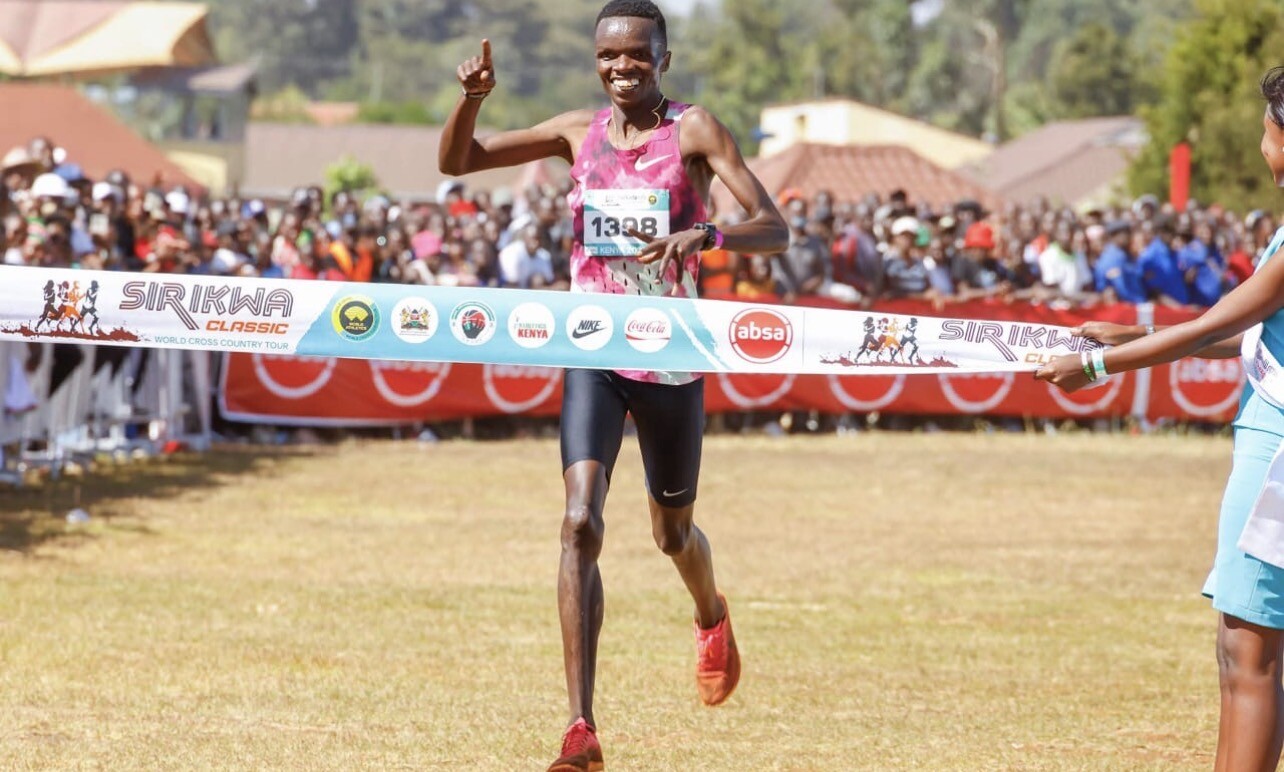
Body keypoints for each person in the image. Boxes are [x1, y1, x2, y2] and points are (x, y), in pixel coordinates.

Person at [437, 3, 789, 769]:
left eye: (635, 54)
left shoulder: (694, 131)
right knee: (578, 523)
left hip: (670, 357)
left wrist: (709, 234)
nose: (620, 67)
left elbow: (775, 227)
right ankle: (580, 729)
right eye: (607, 56)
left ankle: (710, 613)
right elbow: (459, 163)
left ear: (663, 59)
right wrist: (472, 100)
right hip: (592, 346)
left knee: (672, 535)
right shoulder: (578, 132)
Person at [1037, 66, 1284, 772]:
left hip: (1276, 455)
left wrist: (1094, 367)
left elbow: (1217, 322)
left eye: (1267, 133)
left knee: (1248, 653)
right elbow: (1249, 332)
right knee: (1256, 653)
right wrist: (1131, 336)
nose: (1263, 147)